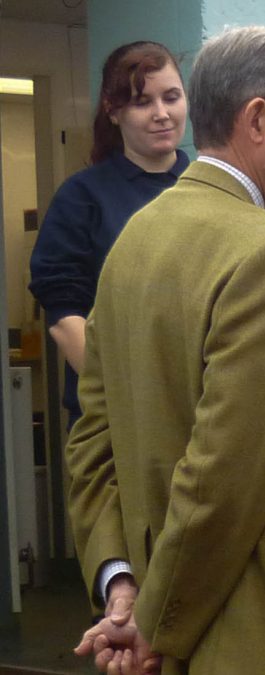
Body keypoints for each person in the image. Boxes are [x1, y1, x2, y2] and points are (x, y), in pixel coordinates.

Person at [65, 26, 265, 674]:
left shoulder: (134, 238)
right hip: (255, 630)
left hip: (170, 612)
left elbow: (90, 443)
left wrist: (121, 585)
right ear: (255, 118)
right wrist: (153, 626)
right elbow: (223, 475)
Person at [29, 40, 190, 427]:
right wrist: (127, 395)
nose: (161, 114)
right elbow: (64, 314)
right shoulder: (82, 197)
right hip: (115, 419)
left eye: (171, 97)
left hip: (199, 414)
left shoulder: (208, 187)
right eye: (141, 102)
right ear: (113, 111)